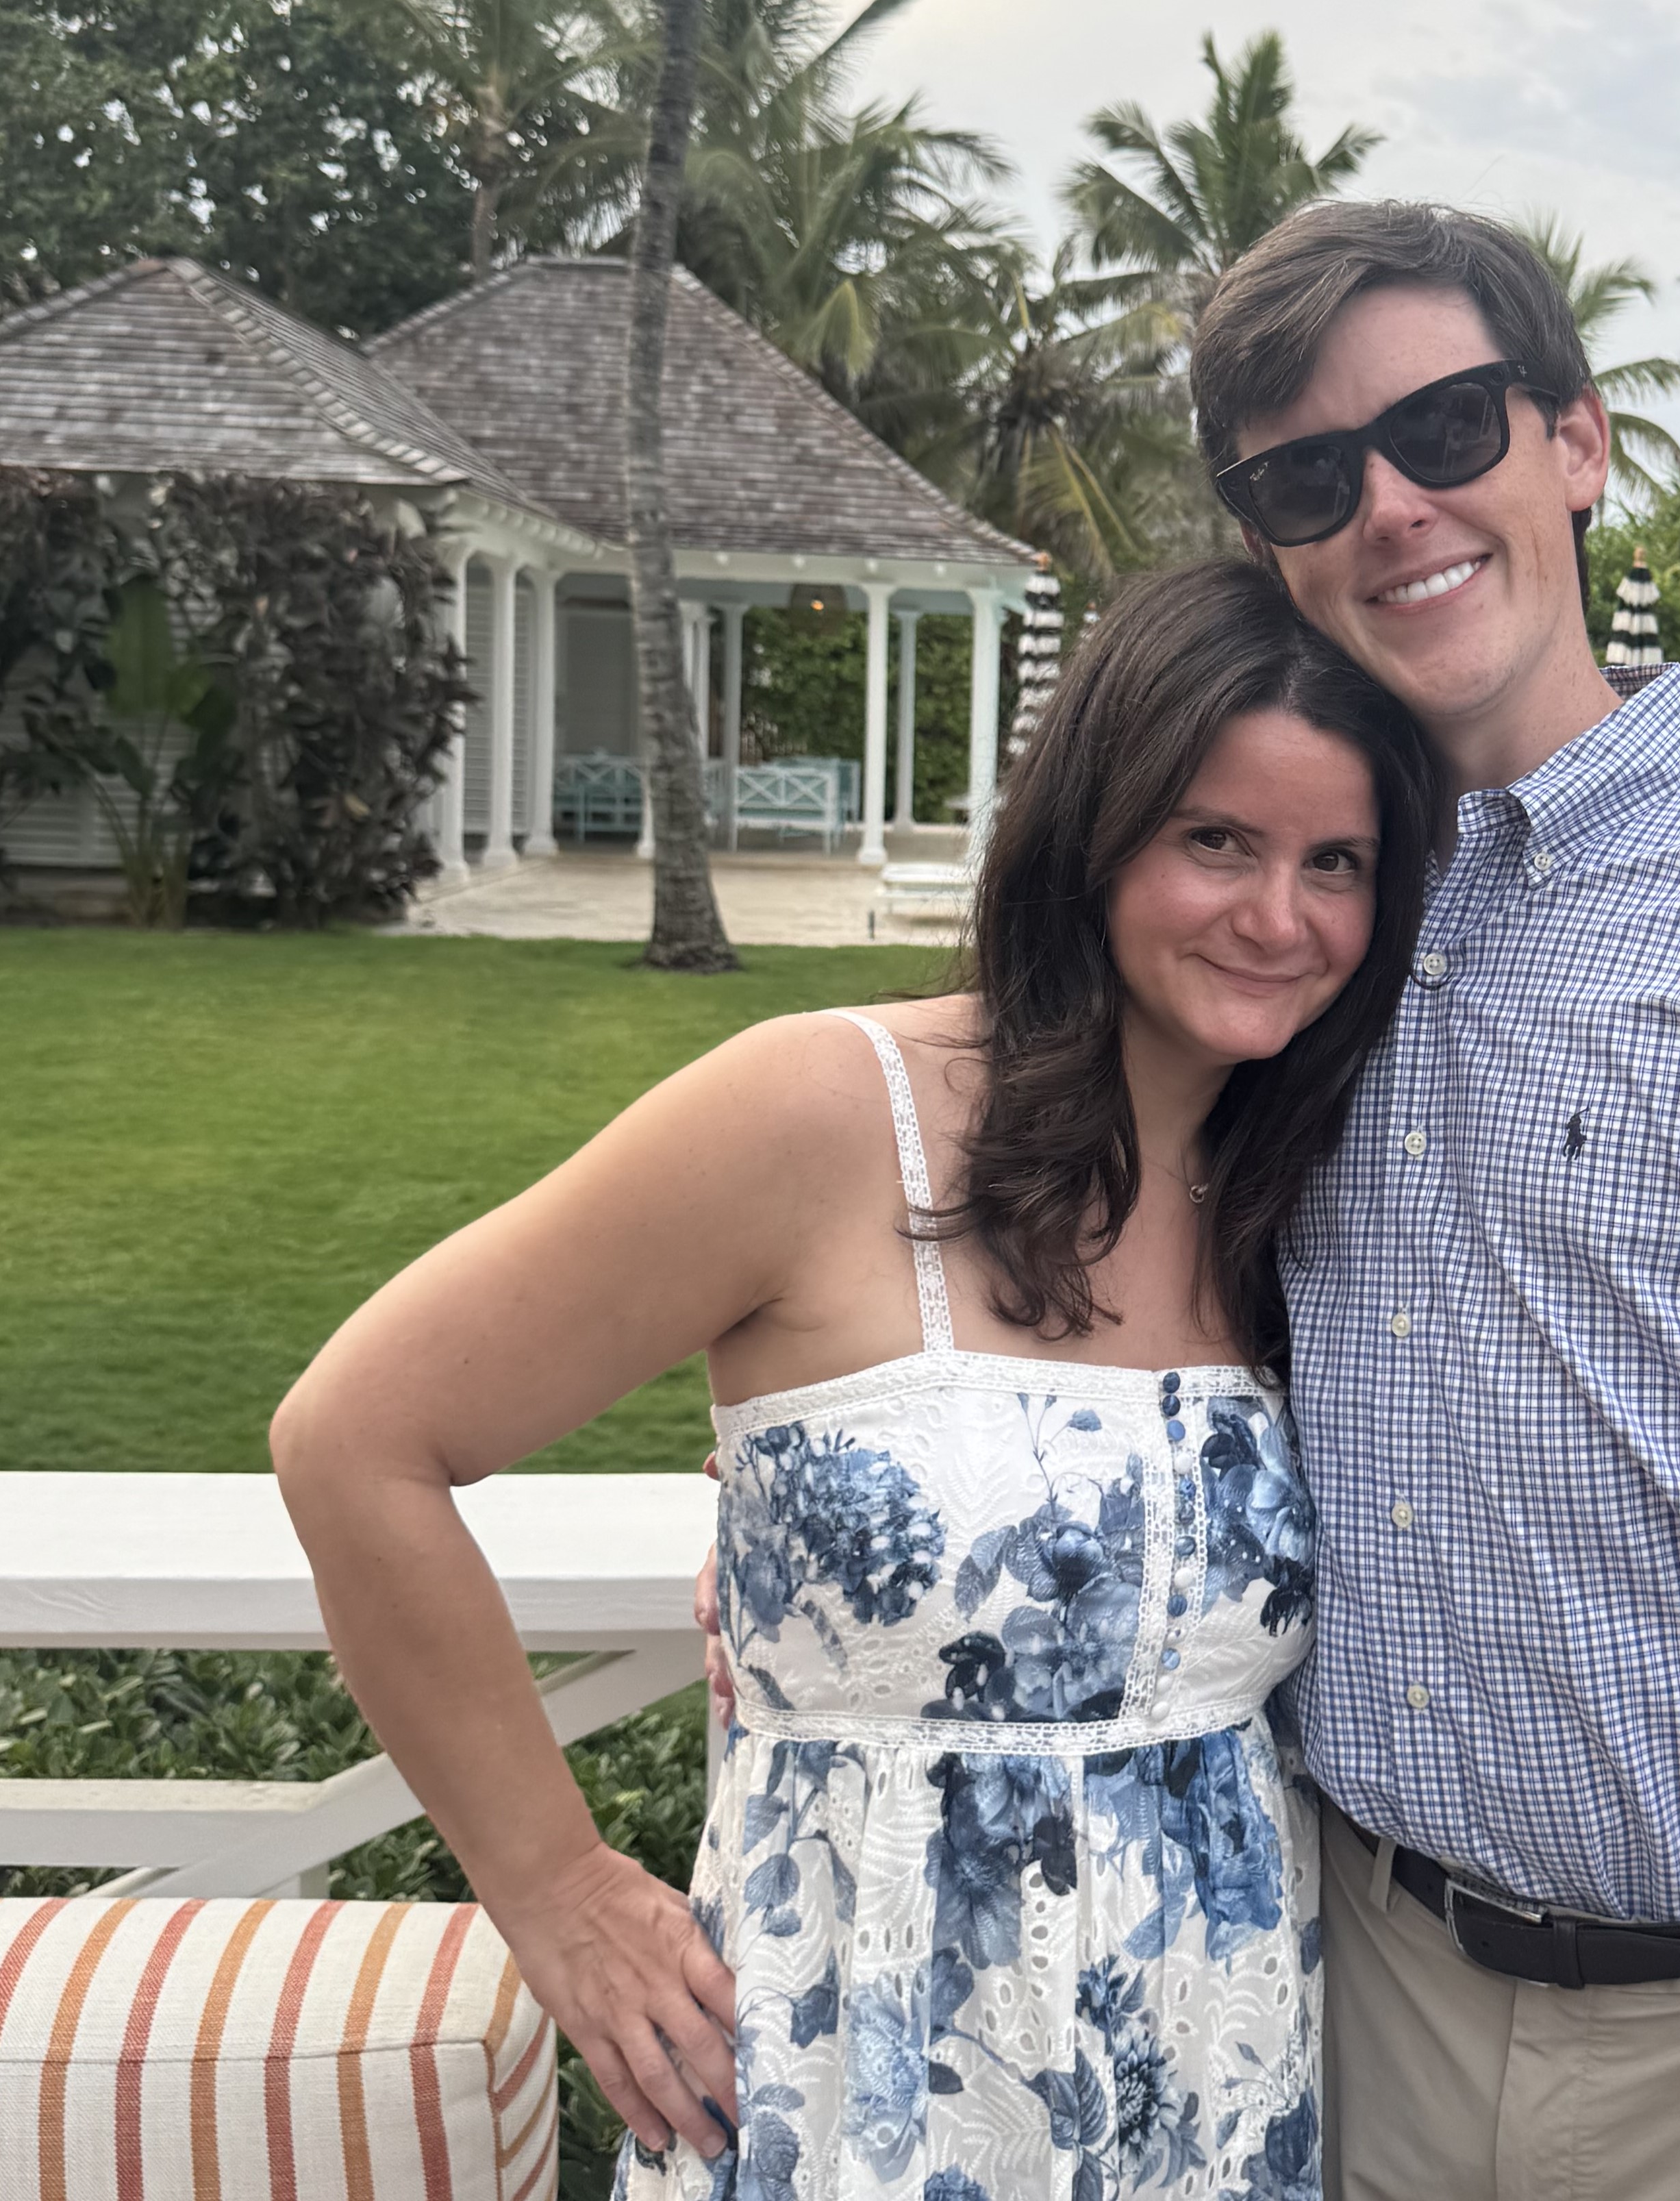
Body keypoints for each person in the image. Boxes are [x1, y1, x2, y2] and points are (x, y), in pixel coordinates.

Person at [700, 202, 1680, 2197]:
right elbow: (1126, 1315)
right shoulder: (1298, 937)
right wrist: (858, 1547)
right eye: (1310, 473)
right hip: (1327, 1991)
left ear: (1576, 441)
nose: (1391, 503)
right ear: (1271, 541)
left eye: (1446, 427)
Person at [273, 558, 1438, 2198]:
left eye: (1339, 862)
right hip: (862, 2079)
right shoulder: (824, 1113)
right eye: (1216, 839)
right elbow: (355, 1438)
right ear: (1095, 832)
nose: (1279, 915)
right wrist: (552, 1886)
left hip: (1215, 2080)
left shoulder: (1300, 1195)